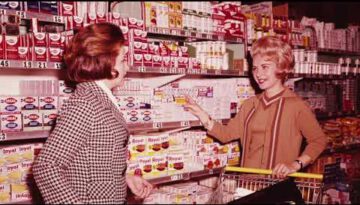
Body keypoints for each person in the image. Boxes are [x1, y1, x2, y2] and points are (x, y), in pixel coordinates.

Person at [32, 22, 153, 204]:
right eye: (122, 60)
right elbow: (46, 166)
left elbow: (92, 156)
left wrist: (123, 179)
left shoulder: (99, 97)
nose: (127, 67)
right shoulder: (84, 103)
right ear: (105, 64)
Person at [184, 36, 327, 178]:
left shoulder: (296, 106)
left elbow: (318, 141)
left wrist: (295, 164)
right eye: (255, 68)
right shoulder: (250, 104)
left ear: (281, 66)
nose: (258, 74)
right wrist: (202, 115)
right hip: (249, 184)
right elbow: (226, 134)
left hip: (278, 186)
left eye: (265, 67)